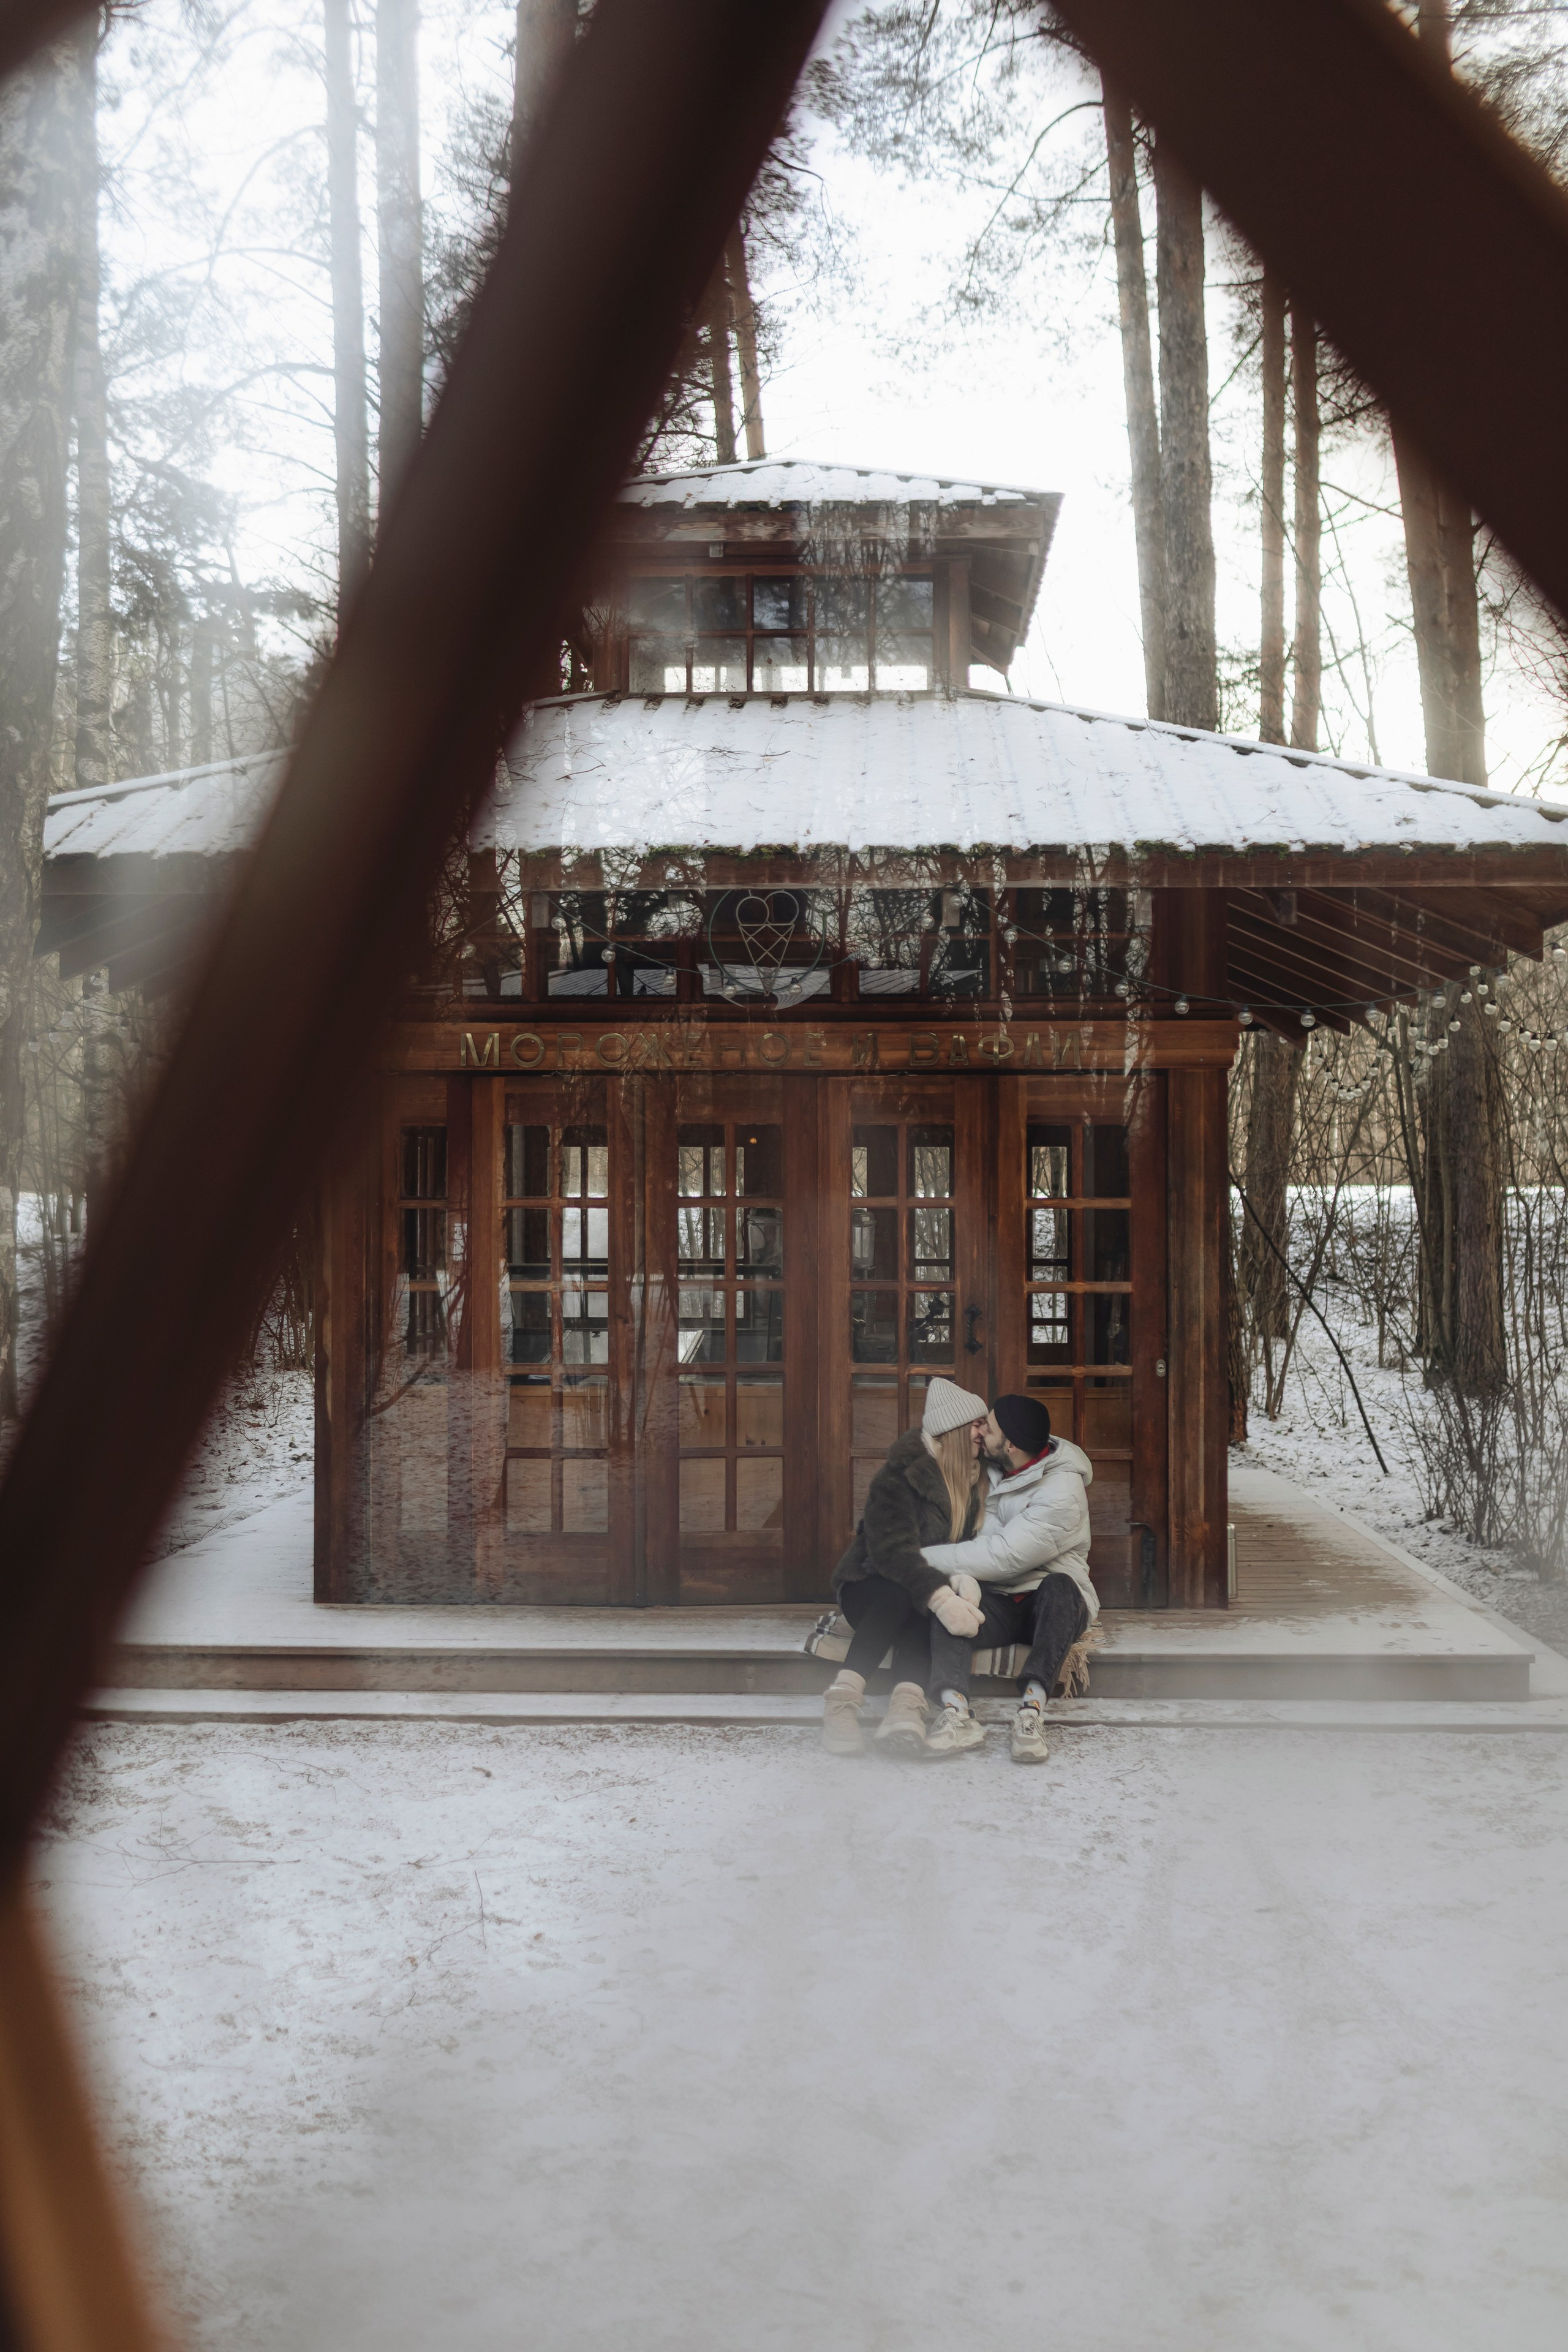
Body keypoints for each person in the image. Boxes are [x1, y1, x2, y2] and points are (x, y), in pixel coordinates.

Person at [918, 1392, 1096, 1765]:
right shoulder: (997, 1471)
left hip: (1047, 1604)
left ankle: (1031, 1713)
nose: (981, 1431)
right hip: (999, 1598)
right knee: (952, 1605)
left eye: (990, 1428)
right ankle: (955, 1714)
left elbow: (1003, 1556)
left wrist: (916, 1560)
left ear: (1011, 1445)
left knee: (1061, 1587)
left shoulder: (1063, 1491)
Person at [821, 1376, 989, 1758]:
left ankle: (905, 1709)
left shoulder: (974, 1477)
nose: (985, 1432)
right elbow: (891, 1553)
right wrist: (942, 1596)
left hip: (923, 1592)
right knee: (903, 1595)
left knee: (922, 1613)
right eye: (978, 1425)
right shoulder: (899, 1477)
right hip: (870, 1585)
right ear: (957, 1430)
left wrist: (953, 1585)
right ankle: (842, 1703)